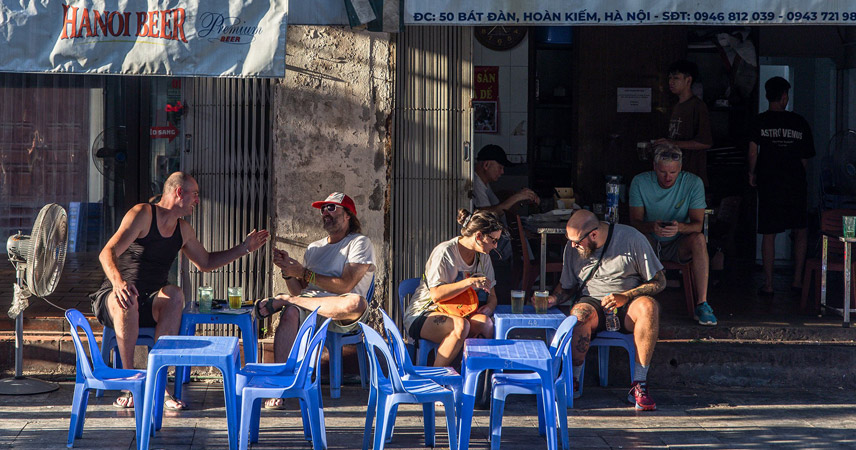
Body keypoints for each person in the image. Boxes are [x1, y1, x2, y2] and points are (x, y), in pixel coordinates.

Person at [89, 172, 270, 409]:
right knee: (128, 299)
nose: (197, 200)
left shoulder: (183, 230)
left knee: (175, 294)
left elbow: (205, 262)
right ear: (179, 193)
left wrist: (244, 248)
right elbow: (107, 253)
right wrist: (118, 282)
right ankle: (129, 382)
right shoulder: (143, 214)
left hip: (151, 302)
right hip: (114, 296)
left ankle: (159, 382)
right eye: (194, 194)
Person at [252, 192, 375, 409]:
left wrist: (304, 274)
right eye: (323, 209)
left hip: (344, 314)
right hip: (311, 308)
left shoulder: (359, 243)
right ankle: (279, 388)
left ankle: (284, 300)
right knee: (290, 312)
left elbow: (346, 284)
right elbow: (300, 291)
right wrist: (288, 272)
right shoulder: (314, 248)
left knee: (356, 302)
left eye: (331, 208)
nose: (325, 213)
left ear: (348, 215)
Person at [545, 209, 665, 411]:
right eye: (570, 241)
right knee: (579, 314)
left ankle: (640, 383)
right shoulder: (573, 248)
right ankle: (572, 378)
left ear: (593, 234)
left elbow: (659, 281)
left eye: (577, 241)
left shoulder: (632, 238)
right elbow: (567, 287)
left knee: (649, 307)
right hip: (592, 301)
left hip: (627, 301)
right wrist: (553, 298)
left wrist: (626, 296)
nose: (573, 245)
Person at [629, 143, 717, 326]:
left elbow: (697, 225)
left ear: (681, 169)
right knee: (635, 238)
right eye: (662, 172)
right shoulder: (640, 181)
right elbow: (635, 222)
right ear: (654, 167)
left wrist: (679, 228)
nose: (668, 177)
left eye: (673, 172)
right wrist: (652, 226)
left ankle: (702, 303)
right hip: (650, 241)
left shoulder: (693, 183)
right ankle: (634, 301)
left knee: (699, 240)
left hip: (679, 243)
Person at [403, 209, 500, 367]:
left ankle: (472, 379)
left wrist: (490, 306)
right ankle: (435, 380)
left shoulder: (484, 257)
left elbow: (492, 295)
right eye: (493, 240)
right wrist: (469, 282)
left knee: (486, 324)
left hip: (461, 312)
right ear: (478, 236)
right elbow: (436, 295)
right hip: (424, 312)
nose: (495, 246)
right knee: (460, 326)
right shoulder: (445, 252)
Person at [749, 76, 815, 295]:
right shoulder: (799, 122)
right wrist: (794, 174)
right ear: (785, 96)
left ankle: (768, 285)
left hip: (769, 182)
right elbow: (805, 158)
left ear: (768, 95)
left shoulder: (759, 121)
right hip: (795, 183)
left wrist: (752, 173)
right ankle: (797, 281)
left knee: (769, 233)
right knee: (801, 230)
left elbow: (753, 151)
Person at [473, 144, 540, 300]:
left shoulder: (485, 184)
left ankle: (527, 280)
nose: (502, 172)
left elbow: (498, 207)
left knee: (522, 234)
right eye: (500, 167)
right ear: (487, 165)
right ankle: (529, 281)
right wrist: (516, 197)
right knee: (516, 240)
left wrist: (519, 198)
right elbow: (487, 214)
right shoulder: (476, 184)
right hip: (485, 239)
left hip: (496, 235)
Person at [654, 60, 713, 186]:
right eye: (670, 78)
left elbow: (705, 142)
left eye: (676, 78)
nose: (671, 82)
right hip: (674, 173)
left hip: (691, 174)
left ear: (688, 80)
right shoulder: (676, 106)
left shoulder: (697, 106)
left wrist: (673, 143)